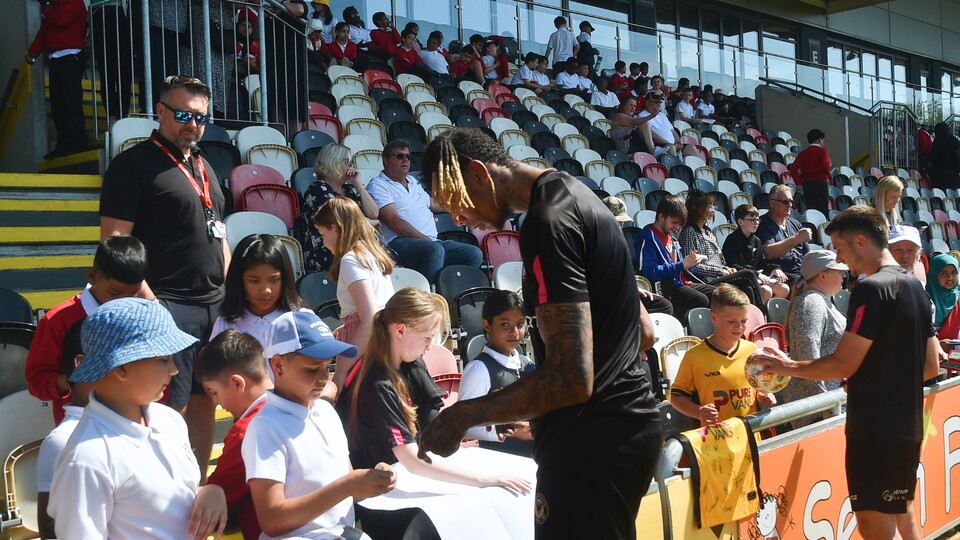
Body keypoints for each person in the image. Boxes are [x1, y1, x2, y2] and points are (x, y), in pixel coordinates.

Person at [417, 128, 662, 539]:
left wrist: (462, 415)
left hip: (591, 443)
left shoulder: (548, 223)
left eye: (455, 205)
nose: (458, 220)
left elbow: (570, 379)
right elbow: (645, 332)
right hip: (630, 431)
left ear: (479, 174)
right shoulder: (579, 195)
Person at [757, 205, 941, 540]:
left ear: (860, 241)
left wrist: (787, 365)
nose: (842, 261)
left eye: (840, 249)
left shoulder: (871, 289)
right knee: (903, 519)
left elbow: (844, 364)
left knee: (876, 529)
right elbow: (932, 367)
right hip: (907, 427)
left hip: (875, 431)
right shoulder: (914, 286)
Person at [99, 75, 228, 477]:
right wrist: (152, 306)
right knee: (168, 408)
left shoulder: (204, 165)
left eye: (201, 117)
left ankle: (196, 483)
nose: (193, 124)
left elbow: (218, 230)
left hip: (213, 304)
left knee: (206, 398)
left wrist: (230, 290)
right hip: (165, 305)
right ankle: (163, 492)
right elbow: (115, 244)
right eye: (184, 114)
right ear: (160, 111)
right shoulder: (132, 166)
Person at [48, 298, 228, 539]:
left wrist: (209, 492)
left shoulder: (168, 420)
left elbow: (180, 493)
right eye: (163, 359)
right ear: (121, 367)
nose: (174, 369)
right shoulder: (88, 458)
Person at [338, 288, 533, 497]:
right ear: (401, 330)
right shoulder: (377, 383)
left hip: (407, 474)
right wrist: (483, 480)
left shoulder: (411, 364)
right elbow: (412, 460)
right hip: (383, 489)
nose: (430, 347)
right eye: (427, 338)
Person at [243, 311, 397, 539]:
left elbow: (348, 487)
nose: (324, 377)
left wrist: (372, 480)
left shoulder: (325, 411)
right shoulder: (265, 427)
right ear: (278, 365)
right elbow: (272, 520)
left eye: (327, 367)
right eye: (312, 368)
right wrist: (347, 486)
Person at [25, 235, 147, 424]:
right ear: (92, 276)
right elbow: (37, 381)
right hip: (81, 427)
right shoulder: (57, 321)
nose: (125, 302)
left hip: (135, 425)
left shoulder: (145, 316)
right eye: (115, 293)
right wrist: (75, 380)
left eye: (134, 293)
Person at [366, 140, 483, 284]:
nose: (405, 160)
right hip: (397, 243)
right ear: (385, 160)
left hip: (431, 242)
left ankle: (450, 290)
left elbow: (432, 204)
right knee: (434, 250)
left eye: (408, 157)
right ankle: (428, 297)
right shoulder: (378, 184)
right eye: (399, 156)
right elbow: (394, 221)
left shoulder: (412, 181)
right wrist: (426, 240)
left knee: (473, 254)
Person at [197, 330, 272, 540]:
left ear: (237, 383)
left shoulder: (246, 432)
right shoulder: (312, 410)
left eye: (214, 392)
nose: (216, 402)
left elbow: (219, 498)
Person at [314, 196, 396, 387]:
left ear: (334, 228)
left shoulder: (351, 260)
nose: (324, 241)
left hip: (366, 345)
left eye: (322, 234)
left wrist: (342, 369)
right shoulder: (371, 255)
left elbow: (370, 317)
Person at [669, 284, 776, 426]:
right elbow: (676, 396)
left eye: (744, 321)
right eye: (731, 321)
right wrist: (698, 412)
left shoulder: (752, 350)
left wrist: (765, 395)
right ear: (713, 317)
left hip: (750, 435)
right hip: (716, 439)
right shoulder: (695, 356)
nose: (739, 327)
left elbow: (759, 386)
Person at [458, 290, 535, 454]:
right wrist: (511, 429)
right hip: (503, 464)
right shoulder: (479, 369)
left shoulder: (526, 363)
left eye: (520, 324)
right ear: (487, 325)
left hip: (533, 458)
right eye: (505, 324)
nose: (514, 332)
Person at [36, 320, 91, 540]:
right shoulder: (63, 441)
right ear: (83, 364)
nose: (173, 371)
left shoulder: (165, 421)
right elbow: (51, 530)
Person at [781, 251, 847, 428]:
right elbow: (807, 356)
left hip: (829, 405)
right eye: (838, 270)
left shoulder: (819, 301)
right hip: (818, 412)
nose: (844, 274)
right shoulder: (812, 302)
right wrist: (826, 406)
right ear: (822, 275)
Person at [210, 234, 308, 350]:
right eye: (254, 281)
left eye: (274, 280)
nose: (265, 290)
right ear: (239, 280)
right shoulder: (225, 324)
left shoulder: (302, 320)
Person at [678, 191, 770, 307]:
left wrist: (726, 268)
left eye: (713, 206)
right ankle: (761, 312)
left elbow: (718, 260)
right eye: (709, 206)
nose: (713, 209)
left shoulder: (708, 231)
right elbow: (692, 267)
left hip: (719, 275)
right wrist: (721, 271)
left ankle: (752, 319)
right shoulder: (689, 232)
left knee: (747, 288)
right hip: (707, 280)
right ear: (697, 208)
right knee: (748, 274)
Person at [636, 194, 716, 324]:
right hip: (665, 286)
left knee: (716, 294)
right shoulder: (647, 238)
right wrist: (681, 265)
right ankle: (682, 330)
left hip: (679, 282)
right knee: (700, 299)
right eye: (674, 222)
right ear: (661, 217)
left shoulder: (672, 237)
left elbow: (679, 265)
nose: (676, 227)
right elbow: (650, 271)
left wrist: (691, 261)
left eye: (679, 224)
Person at [26, 0, 89, 159]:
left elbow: (62, 20)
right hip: (58, 59)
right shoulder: (53, 7)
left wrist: (45, 11)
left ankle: (78, 143)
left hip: (71, 57)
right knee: (58, 105)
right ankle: (63, 144)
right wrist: (33, 52)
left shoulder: (73, 2)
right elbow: (44, 32)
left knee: (71, 102)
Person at [301, 143, 378, 273]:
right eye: (348, 162)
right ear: (334, 163)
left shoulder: (350, 189)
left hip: (354, 243)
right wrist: (368, 223)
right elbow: (340, 223)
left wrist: (358, 185)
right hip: (328, 248)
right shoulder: (318, 189)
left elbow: (374, 213)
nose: (352, 165)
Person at [722, 204, 790, 302]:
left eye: (758, 220)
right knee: (766, 290)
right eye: (752, 220)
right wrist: (755, 274)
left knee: (783, 289)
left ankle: (769, 312)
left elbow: (762, 262)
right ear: (740, 222)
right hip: (742, 279)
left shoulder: (757, 240)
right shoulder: (732, 240)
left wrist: (775, 269)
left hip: (756, 277)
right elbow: (732, 265)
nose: (756, 223)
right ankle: (761, 314)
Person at [90, 0, 133, 123]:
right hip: (101, 11)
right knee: (110, 70)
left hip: (118, 12)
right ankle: (115, 115)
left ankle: (119, 116)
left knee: (122, 69)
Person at [757, 185, 811, 283]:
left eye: (791, 201)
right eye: (785, 202)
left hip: (801, 271)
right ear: (772, 203)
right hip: (781, 274)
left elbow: (807, 253)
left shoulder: (795, 223)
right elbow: (768, 252)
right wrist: (797, 238)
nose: (789, 205)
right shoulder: (762, 224)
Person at [789, 129, 832, 216]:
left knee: (811, 208)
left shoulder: (803, 153)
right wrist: (828, 174)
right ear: (820, 139)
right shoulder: (823, 151)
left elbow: (793, 169)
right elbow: (825, 165)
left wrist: (798, 183)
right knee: (823, 208)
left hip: (807, 184)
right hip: (820, 182)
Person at [637, 91, 683, 157]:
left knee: (691, 148)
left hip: (672, 144)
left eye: (660, 102)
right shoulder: (642, 116)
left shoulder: (662, 115)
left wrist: (678, 142)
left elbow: (673, 131)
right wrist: (669, 143)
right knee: (671, 148)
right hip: (660, 145)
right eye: (656, 102)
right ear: (647, 103)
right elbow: (652, 135)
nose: (659, 104)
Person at [927, 254, 960, 341]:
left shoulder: (958, 299)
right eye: (943, 273)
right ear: (934, 274)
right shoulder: (923, 298)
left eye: (954, 273)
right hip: (927, 350)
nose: (950, 278)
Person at [930, 122, 960, 190]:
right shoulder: (954, 140)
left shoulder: (938, 140)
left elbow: (934, 155)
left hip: (939, 171)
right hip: (953, 172)